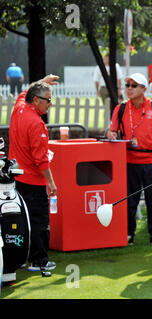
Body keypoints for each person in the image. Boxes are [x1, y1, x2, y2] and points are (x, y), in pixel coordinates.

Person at [106, 73, 152, 246]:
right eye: (128, 85)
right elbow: (111, 130)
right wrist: (111, 134)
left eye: (134, 85)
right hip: (129, 160)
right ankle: (128, 233)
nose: (129, 89)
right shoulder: (120, 108)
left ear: (143, 88)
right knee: (129, 199)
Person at [8, 74, 59, 276]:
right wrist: (51, 183)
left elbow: (24, 93)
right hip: (33, 180)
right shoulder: (37, 124)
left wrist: (43, 81)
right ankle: (39, 260)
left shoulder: (19, 108)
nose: (51, 104)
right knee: (39, 222)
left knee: (21, 221)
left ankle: (20, 258)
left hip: (17, 178)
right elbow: (41, 160)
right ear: (37, 100)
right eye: (48, 100)